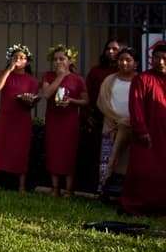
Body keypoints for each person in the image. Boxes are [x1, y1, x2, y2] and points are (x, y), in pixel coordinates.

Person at [0, 44, 39, 193]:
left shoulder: (32, 81)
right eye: (15, 57)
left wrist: (27, 99)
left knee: (21, 150)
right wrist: (9, 69)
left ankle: (21, 186)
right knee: (0, 149)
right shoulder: (5, 74)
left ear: (27, 62)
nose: (18, 60)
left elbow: (33, 101)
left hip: (22, 120)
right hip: (6, 119)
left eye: (21, 58)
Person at [121, 41, 166, 215]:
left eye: (164, 58)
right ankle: (140, 204)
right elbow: (136, 106)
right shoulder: (142, 79)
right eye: (156, 58)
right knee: (145, 170)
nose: (160, 62)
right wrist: (142, 130)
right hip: (149, 134)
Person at [39, 44, 88, 198]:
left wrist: (71, 101)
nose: (58, 62)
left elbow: (85, 100)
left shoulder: (78, 79)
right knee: (53, 152)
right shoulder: (48, 76)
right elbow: (46, 94)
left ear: (70, 61)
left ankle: (69, 189)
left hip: (69, 122)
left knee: (69, 153)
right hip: (54, 120)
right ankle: (55, 188)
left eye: (62, 59)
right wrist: (60, 77)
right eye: (55, 59)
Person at [97, 46, 140, 197]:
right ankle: (105, 190)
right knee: (108, 161)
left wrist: (129, 121)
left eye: (128, 60)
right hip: (111, 126)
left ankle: (126, 193)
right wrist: (116, 119)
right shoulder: (109, 80)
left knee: (128, 163)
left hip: (132, 128)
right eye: (121, 60)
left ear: (136, 63)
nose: (124, 63)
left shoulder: (140, 80)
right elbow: (102, 102)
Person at [83, 38, 123, 194]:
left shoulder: (125, 73)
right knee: (97, 153)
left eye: (115, 49)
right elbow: (88, 93)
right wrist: (88, 114)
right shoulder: (96, 71)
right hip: (99, 117)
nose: (111, 52)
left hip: (121, 120)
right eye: (108, 48)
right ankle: (97, 186)